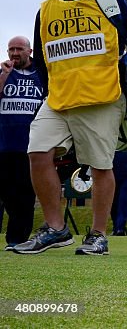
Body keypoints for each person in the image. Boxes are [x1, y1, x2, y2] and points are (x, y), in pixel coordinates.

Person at [14, 0, 127, 256]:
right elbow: (41, 58)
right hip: (59, 97)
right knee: (37, 153)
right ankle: (55, 228)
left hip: (101, 96)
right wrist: (48, 90)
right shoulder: (46, 10)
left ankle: (98, 235)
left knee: (100, 165)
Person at [0, 36, 43, 250]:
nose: (14, 53)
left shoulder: (41, 75)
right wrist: (4, 75)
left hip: (30, 146)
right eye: (11, 49)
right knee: (5, 193)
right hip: (4, 144)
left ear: (30, 51)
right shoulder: (3, 74)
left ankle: (17, 239)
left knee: (25, 196)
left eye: (19, 49)